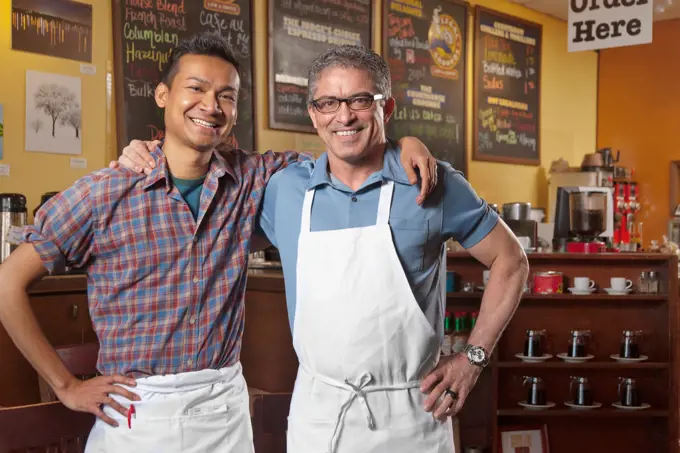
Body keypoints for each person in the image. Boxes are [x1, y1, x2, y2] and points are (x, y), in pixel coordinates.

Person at [0, 33, 437, 453]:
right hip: (134, 416)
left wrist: (403, 144)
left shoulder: (252, 178)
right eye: (196, 88)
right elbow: (7, 284)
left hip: (224, 413)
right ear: (162, 95)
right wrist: (66, 386)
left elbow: (347, 153)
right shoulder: (104, 192)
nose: (211, 106)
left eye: (226, 95)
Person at [117, 44, 529, 453]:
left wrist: (473, 358)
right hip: (319, 415)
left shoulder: (429, 182)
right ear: (314, 115)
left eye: (360, 100)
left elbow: (511, 261)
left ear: (386, 110)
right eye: (329, 102)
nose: (344, 116)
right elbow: (204, 167)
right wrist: (149, 153)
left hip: (413, 413)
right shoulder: (284, 188)